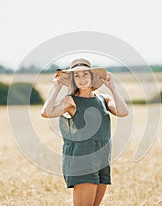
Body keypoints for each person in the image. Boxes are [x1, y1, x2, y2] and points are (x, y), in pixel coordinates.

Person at [41, 58, 128, 206]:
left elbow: (123, 112)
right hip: (82, 160)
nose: (82, 79)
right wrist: (56, 89)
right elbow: (46, 112)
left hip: (102, 159)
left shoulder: (103, 99)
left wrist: (113, 88)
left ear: (92, 77)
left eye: (85, 74)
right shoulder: (71, 101)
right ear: (73, 80)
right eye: (77, 75)